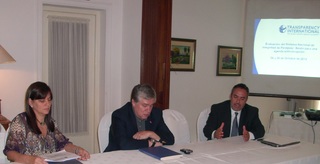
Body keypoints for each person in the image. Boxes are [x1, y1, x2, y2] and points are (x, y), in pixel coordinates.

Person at [3, 81, 90, 164]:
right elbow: (10, 152)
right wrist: (30, 160)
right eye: (42, 101)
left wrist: (78, 150)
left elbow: (63, 144)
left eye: (49, 100)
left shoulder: (50, 122)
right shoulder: (20, 122)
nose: (47, 104)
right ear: (30, 102)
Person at [104, 84, 174, 152]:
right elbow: (123, 144)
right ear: (134, 102)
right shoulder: (119, 115)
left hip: (145, 156)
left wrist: (151, 134)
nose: (149, 110)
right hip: (118, 157)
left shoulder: (156, 114)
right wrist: (151, 143)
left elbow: (170, 139)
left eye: (151, 105)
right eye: (144, 105)